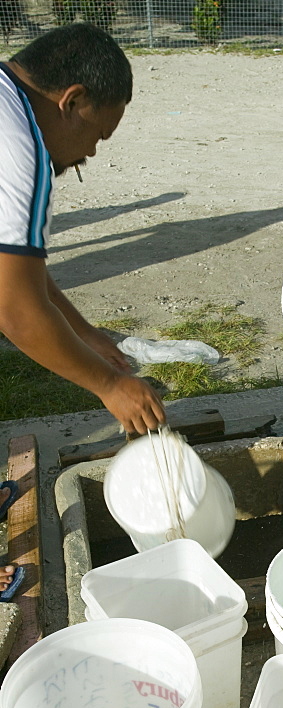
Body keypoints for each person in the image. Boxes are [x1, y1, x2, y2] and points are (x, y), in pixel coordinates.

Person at [0, 23, 166, 597]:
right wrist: (108, 387)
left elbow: (18, 269)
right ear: (72, 101)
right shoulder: (21, 151)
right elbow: (16, 311)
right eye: (98, 134)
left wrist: (86, 332)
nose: (91, 152)